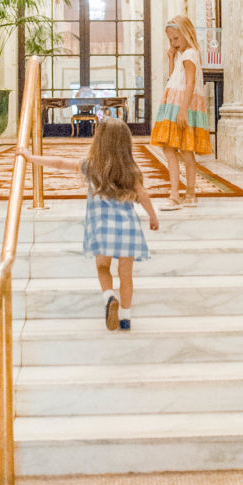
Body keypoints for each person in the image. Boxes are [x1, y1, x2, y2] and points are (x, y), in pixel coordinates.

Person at [18, 118, 158, 332]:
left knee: (103, 267)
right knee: (126, 275)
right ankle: (126, 318)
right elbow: (144, 196)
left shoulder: (91, 166)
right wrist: (153, 217)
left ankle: (109, 296)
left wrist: (30, 157)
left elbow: (59, 162)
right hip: (128, 229)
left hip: (102, 228)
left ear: (99, 142)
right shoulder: (131, 170)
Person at [150, 14, 212, 210]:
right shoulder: (185, 55)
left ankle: (176, 195)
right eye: (170, 40)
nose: (173, 43)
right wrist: (171, 58)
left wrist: (182, 110)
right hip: (177, 103)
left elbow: (190, 83)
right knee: (184, 150)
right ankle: (189, 194)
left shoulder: (189, 55)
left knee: (171, 148)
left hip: (180, 105)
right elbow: (173, 79)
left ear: (187, 34)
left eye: (176, 39)